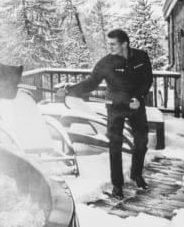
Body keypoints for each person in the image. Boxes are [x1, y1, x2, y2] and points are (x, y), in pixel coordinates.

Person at [55, 28, 153, 200]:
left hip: (136, 104)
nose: (110, 47)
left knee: (141, 142)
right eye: (108, 44)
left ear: (125, 44)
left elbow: (147, 79)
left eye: (113, 44)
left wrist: (139, 97)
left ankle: (137, 175)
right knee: (115, 145)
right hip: (115, 106)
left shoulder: (141, 57)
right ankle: (117, 185)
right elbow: (90, 83)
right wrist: (69, 89)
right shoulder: (105, 63)